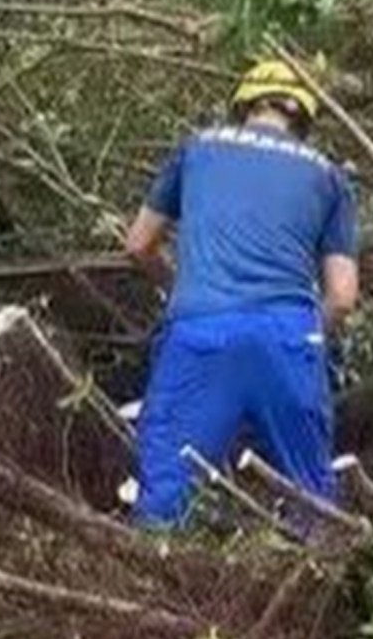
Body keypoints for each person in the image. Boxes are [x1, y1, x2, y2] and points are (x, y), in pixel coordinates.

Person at [121, 54, 358, 526]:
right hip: (288, 335)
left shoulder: (196, 148)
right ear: (304, 119)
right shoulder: (330, 177)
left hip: (201, 328)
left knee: (165, 492)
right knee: (310, 500)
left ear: (243, 107)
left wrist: (181, 290)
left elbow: (138, 244)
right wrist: (304, 341)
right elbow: (343, 296)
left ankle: (149, 583)